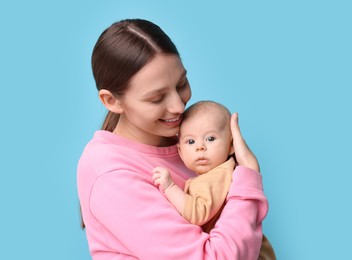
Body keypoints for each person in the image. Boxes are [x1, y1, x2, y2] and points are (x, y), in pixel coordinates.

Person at [77, 18, 269, 259]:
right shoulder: (110, 175)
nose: (179, 106)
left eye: (182, 84)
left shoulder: (190, 142)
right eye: (157, 98)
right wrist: (248, 179)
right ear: (111, 101)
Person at [152, 101, 276, 260]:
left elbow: (197, 213)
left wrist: (169, 187)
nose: (200, 147)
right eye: (191, 141)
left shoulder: (218, 175)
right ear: (180, 152)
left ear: (231, 145)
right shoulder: (217, 174)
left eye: (210, 138)